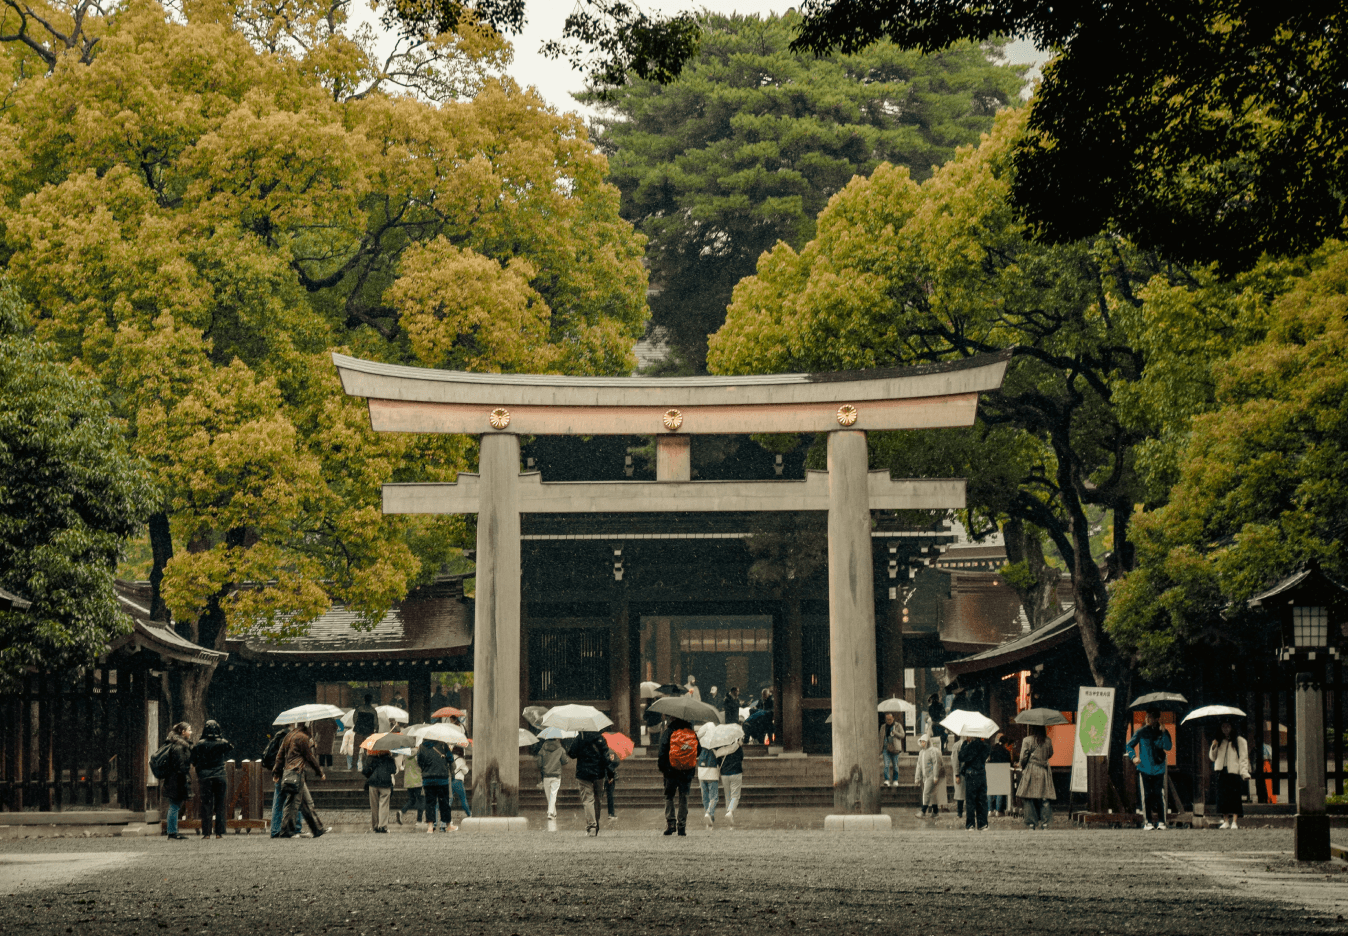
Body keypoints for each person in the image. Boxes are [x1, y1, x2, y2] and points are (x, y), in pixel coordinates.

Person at [273, 722, 329, 838]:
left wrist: (276, 772)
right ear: (307, 726)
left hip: (290, 773)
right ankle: (287, 831)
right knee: (293, 804)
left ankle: (317, 829)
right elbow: (310, 757)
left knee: (306, 803)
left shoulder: (289, 735)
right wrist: (320, 772)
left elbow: (280, 755)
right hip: (297, 773)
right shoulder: (302, 738)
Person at [1126, 708, 1174, 830]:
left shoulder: (1162, 731)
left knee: (1159, 795)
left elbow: (1168, 746)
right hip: (1144, 768)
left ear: (1157, 719)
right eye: (1146, 716)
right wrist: (1134, 757)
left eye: (1150, 717)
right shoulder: (1141, 731)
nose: (1147, 719)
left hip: (1159, 768)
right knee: (1146, 795)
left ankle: (1162, 822)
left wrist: (1164, 732)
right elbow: (1129, 745)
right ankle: (1148, 822)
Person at [190, 719, 233, 839]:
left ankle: (207, 832)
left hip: (205, 777)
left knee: (206, 804)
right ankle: (219, 832)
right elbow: (229, 749)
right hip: (220, 775)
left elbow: (193, 759)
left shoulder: (200, 744)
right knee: (220, 804)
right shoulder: (223, 742)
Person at [566, 730, 612, 837]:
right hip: (598, 773)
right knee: (597, 799)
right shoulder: (600, 739)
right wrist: (610, 773)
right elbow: (606, 756)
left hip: (583, 774)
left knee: (588, 799)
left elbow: (571, 754)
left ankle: (592, 826)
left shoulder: (579, 738)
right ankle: (596, 823)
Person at [658, 716, 697, 836]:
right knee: (683, 797)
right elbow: (698, 750)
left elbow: (662, 751)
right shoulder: (691, 732)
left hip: (671, 771)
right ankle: (682, 826)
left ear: (673, 718)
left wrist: (663, 767)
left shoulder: (669, 731)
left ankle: (671, 823)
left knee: (669, 796)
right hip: (687, 771)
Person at [1209, 719, 1251, 830]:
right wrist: (1214, 747)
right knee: (1222, 797)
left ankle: (1235, 822)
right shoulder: (1219, 741)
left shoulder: (1239, 741)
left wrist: (1244, 772)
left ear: (1232, 727)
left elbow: (1243, 758)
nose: (1225, 729)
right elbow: (1212, 757)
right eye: (1223, 727)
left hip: (1234, 772)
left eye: (1228, 727)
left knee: (1235, 798)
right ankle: (1226, 820)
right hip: (1221, 771)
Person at [1017, 725, 1055, 830]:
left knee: (1028, 797)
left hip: (1031, 770)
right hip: (1043, 770)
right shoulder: (1048, 740)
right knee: (1044, 797)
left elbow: (1023, 758)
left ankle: (1031, 823)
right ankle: (1045, 823)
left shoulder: (1027, 740)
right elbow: (1050, 754)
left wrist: (1023, 765)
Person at [163, 722, 193, 840]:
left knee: (174, 805)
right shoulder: (180, 747)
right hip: (177, 780)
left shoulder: (173, 744)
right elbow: (181, 766)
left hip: (172, 778)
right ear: (182, 732)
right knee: (174, 806)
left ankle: (172, 831)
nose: (191, 732)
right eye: (189, 730)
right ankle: (172, 832)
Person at [418, 739, 454, 832]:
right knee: (444, 803)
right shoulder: (443, 745)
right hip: (442, 778)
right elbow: (450, 759)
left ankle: (430, 827)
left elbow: (419, 761)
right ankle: (448, 825)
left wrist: (426, 769)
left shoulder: (422, 746)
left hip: (428, 779)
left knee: (430, 803)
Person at [957, 732, 990, 831]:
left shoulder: (969, 746)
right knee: (982, 799)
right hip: (982, 774)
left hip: (971, 774)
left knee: (971, 800)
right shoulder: (986, 746)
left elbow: (961, 757)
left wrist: (964, 745)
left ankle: (970, 824)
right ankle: (982, 824)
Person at [362, 749, 396, 833]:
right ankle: (383, 826)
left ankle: (375, 826)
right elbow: (393, 770)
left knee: (374, 805)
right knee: (384, 804)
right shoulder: (389, 758)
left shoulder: (371, 757)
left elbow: (365, 770)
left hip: (373, 783)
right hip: (385, 783)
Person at [536, 736, 569, 820]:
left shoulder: (542, 749)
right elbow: (565, 761)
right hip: (556, 775)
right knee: (553, 794)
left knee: (549, 795)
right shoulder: (560, 749)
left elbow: (539, 764)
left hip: (546, 775)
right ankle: (551, 813)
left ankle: (552, 813)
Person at [914, 734, 946, 818]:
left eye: (924, 742)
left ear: (927, 742)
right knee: (932, 794)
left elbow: (936, 764)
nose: (922, 743)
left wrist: (935, 776)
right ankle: (935, 812)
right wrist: (917, 777)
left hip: (931, 776)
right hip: (926, 776)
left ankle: (923, 811)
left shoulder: (933, 751)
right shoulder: (921, 752)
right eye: (921, 742)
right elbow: (919, 765)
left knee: (926, 792)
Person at [398, 744, 425, 827]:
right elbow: (422, 766)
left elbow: (402, 766)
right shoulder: (418, 754)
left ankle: (402, 811)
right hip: (418, 781)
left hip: (408, 781)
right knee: (421, 800)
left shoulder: (405, 755)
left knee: (412, 799)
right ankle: (419, 820)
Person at [986, 732, 1012, 816]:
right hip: (1001, 771)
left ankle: (990, 810)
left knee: (990, 791)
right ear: (1005, 743)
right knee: (1000, 790)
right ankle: (998, 810)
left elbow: (989, 759)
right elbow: (1009, 763)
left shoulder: (991, 749)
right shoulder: (1006, 752)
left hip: (991, 770)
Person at [719, 738, 744, 823]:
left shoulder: (723, 746)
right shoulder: (738, 746)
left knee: (728, 795)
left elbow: (719, 759)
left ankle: (729, 815)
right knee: (735, 795)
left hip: (724, 773)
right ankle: (730, 812)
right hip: (736, 772)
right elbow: (741, 757)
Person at [696, 742, 721, 828]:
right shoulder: (716, 744)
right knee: (714, 797)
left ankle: (709, 816)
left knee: (705, 797)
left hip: (701, 772)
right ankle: (709, 813)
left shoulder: (701, 744)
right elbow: (719, 757)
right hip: (712, 772)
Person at [352, 694, 378, 769]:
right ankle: (367, 764)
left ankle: (354, 765)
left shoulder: (359, 709)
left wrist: (360, 725)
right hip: (368, 733)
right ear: (371, 700)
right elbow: (375, 723)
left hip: (359, 731)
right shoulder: (373, 711)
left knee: (356, 750)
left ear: (364, 699)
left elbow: (354, 719)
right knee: (368, 750)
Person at [450, 741, 473, 820]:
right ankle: (469, 814)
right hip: (458, 781)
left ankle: (446, 816)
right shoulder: (461, 760)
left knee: (449, 799)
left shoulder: (450, 757)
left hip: (450, 780)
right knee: (463, 799)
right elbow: (465, 771)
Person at [880, 713, 903, 787]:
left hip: (895, 747)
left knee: (895, 765)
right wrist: (880, 748)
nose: (888, 721)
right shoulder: (883, 727)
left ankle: (895, 780)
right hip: (886, 748)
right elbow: (880, 738)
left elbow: (902, 735)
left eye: (890, 719)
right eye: (887, 719)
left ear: (893, 718)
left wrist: (895, 732)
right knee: (886, 764)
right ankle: (887, 779)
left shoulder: (897, 725)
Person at [950, 734, 965, 819]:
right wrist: (957, 774)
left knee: (964, 793)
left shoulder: (969, 744)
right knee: (960, 793)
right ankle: (959, 812)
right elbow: (955, 761)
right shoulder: (957, 746)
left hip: (966, 772)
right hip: (960, 772)